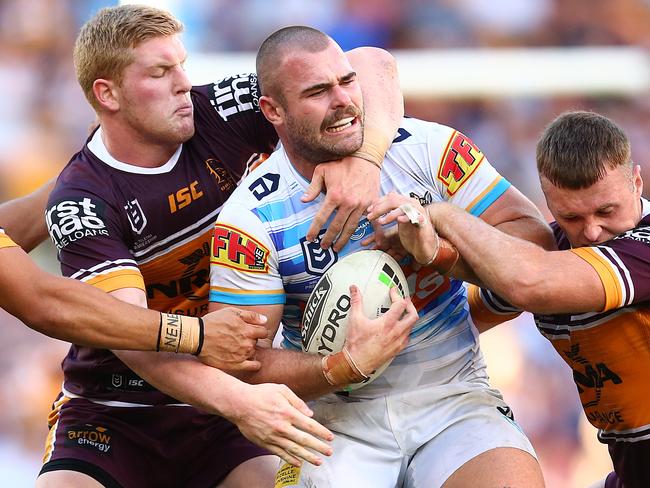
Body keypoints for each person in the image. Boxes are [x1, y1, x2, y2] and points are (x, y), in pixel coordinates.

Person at [38, 5, 403, 487]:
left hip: (233, 404)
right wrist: (240, 401)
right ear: (107, 94)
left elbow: (373, 64)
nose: (183, 83)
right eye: (160, 72)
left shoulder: (220, 110)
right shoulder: (81, 200)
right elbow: (133, 340)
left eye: (182, 65)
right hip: (113, 411)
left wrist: (366, 160)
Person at [208, 26, 557, 487]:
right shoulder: (249, 218)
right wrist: (346, 365)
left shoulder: (430, 149)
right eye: (317, 92)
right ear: (273, 110)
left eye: (347, 82)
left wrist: (440, 249)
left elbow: (537, 245)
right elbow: (244, 365)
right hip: (331, 420)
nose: (343, 102)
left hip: (453, 396)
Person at [368, 110, 649, 488]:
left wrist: (443, 217)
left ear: (636, 182)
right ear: (548, 199)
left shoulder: (638, 250)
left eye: (606, 210)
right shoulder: (551, 250)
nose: (593, 230)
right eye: (572, 216)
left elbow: (529, 281)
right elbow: (461, 314)